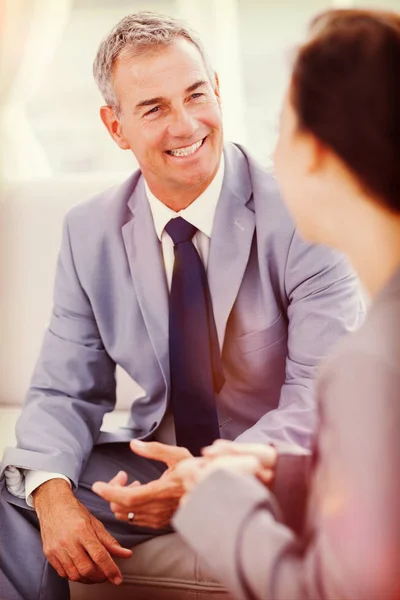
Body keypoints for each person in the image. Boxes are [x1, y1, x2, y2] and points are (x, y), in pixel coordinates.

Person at [0, 10, 363, 600]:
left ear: (218, 89)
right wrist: (54, 493)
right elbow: (65, 389)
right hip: (154, 463)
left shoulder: (305, 212)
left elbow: (320, 400)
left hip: (275, 463)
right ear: (115, 127)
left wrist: (207, 478)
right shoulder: (90, 230)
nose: (186, 123)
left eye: (196, 94)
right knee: (23, 493)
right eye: (154, 108)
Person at [95, 8, 400, 600]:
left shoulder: (370, 365)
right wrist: (263, 469)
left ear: (312, 154)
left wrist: (212, 498)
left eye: (280, 129)